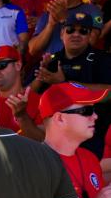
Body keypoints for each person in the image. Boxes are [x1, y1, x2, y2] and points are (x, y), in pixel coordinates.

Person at [32, 11, 111, 157]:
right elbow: (32, 92)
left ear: (89, 36)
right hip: (56, 136)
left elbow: (108, 90)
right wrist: (41, 74)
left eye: (82, 31)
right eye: (70, 30)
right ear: (62, 34)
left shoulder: (103, 59)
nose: (76, 34)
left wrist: (64, 83)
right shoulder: (52, 59)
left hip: (91, 134)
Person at [29, 0, 102, 58]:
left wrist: (64, 19)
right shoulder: (48, 13)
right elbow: (32, 49)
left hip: (79, 68)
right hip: (50, 67)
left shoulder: (92, 10)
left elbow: (91, 41)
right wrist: (50, 25)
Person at [0, 45, 43, 140]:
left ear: (18, 65)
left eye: (0, 65)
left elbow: (43, 142)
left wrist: (22, 117)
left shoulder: (40, 101)